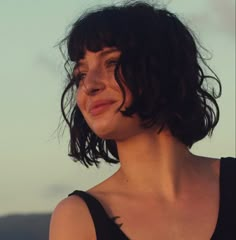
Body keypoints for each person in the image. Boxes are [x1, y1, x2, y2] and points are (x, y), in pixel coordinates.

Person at [49, 1, 236, 239]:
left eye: (112, 63)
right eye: (81, 74)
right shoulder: (77, 219)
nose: (89, 85)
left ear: (162, 68)